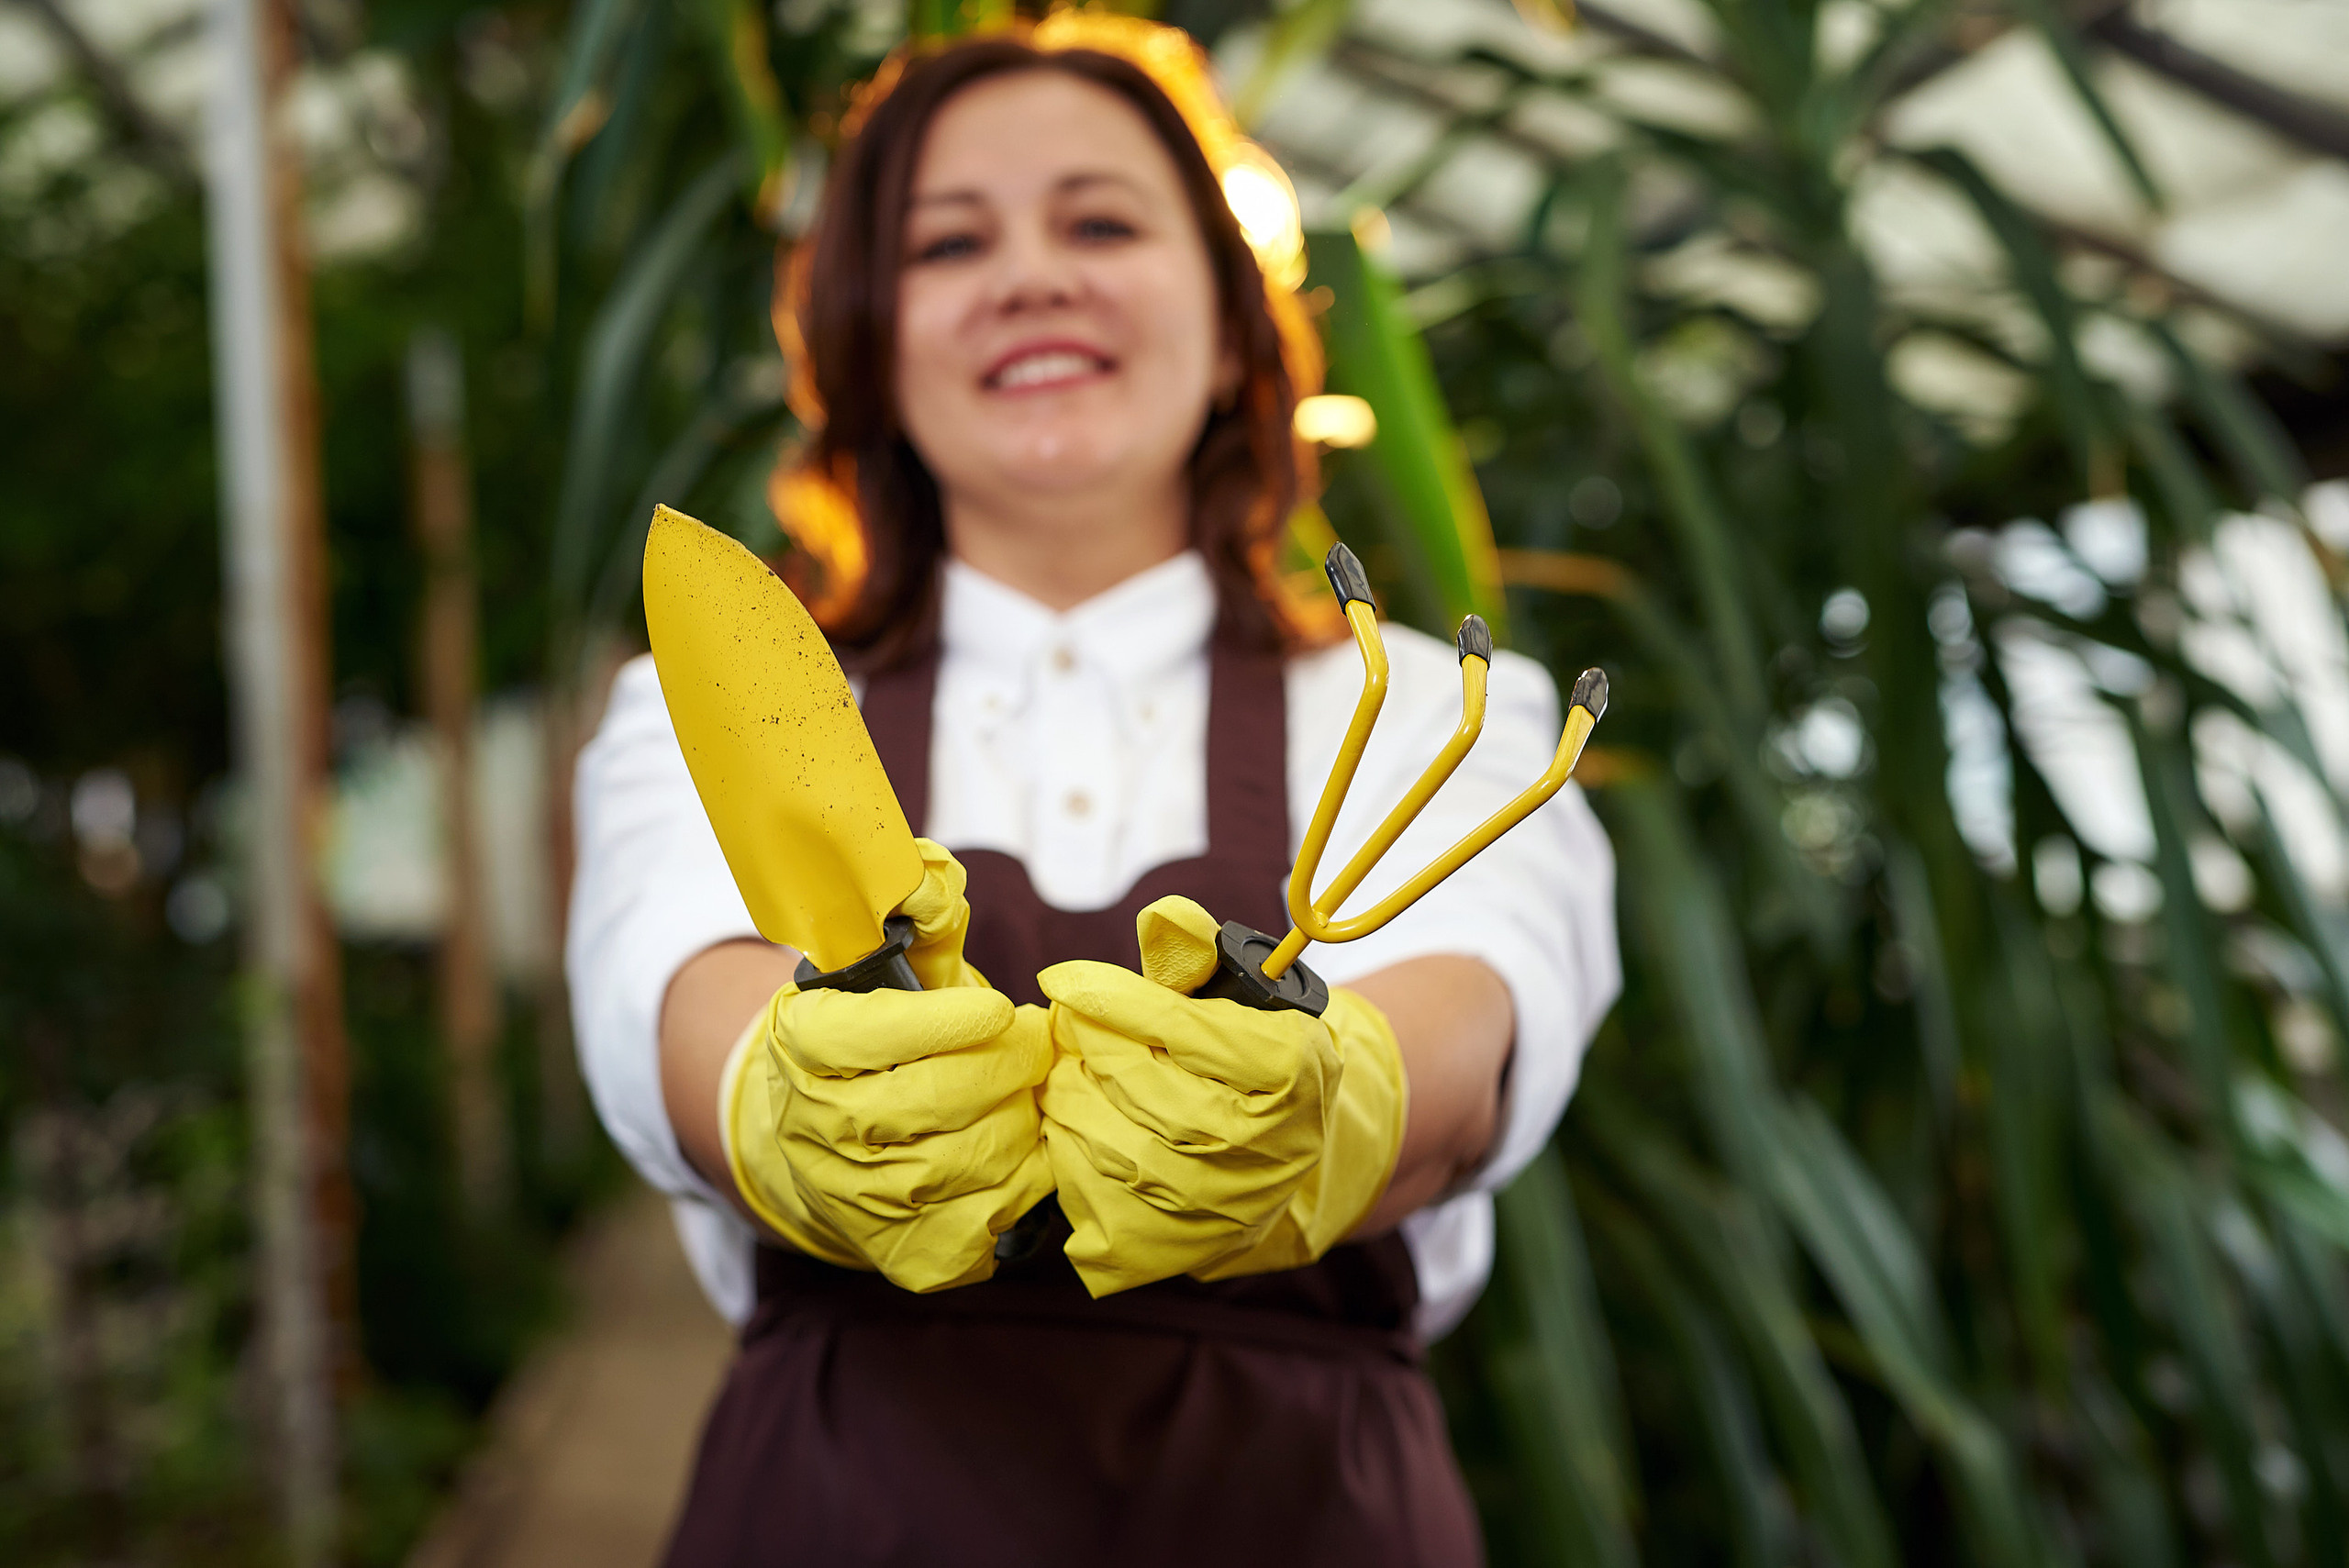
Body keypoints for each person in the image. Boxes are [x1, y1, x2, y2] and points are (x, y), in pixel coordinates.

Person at [566, 17, 1618, 1564]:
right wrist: (772, 1104)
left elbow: (1483, 1021)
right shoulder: (717, 701)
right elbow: (673, 996)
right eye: (950, 242)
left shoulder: (1435, 711)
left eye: (1102, 224)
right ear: (865, 338)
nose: (1032, 277)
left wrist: (1350, 1100)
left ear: (1233, 314)